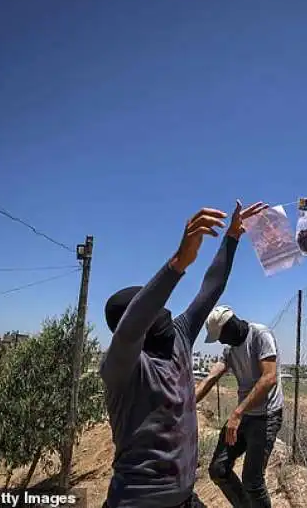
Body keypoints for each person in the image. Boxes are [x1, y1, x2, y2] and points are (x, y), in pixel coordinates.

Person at [99, 200, 268, 508]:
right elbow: (129, 330)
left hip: (185, 498)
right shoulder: (122, 366)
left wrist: (231, 238)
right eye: (151, 305)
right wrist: (177, 263)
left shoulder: (178, 337)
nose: (163, 308)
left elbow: (209, 290)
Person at [194, 306, 284, 508]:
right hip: (245, 416)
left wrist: (237, 413)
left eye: (220, 336)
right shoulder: (230, 351)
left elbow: (269, 378)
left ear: (230, 326)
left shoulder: (260, 335)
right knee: (218, 469)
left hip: (266, 416)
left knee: (252, 481)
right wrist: (187, 405)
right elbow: (211, 377)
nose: (220, 341)